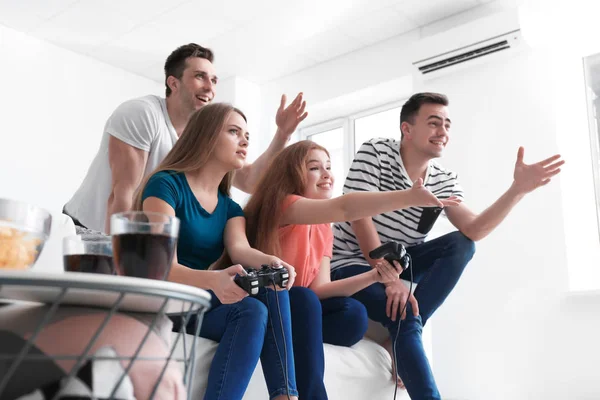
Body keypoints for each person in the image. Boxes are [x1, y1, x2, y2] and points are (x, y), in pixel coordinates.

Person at [330, 92, 565, 400]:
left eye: (447, 125)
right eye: (434, 123)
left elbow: (474, 229)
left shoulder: (444, 180)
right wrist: (388, 278)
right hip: (351, 260)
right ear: (407, 129)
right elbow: (360, 217)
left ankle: (402, 332)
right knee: (403, 316)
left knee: (462, 244)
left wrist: (517, 190)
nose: (443, 132)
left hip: (402, 260)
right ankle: (407, 336)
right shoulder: (375, 152)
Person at [243, 140, 460, 399]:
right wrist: (408, 197)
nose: (326, 174)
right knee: (304, 299)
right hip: (274, 303)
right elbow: (345, 207)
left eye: (328, 167)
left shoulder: (324, 227)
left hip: (303, 308)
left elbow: (320, 288)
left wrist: (373, 276)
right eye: (315, 168)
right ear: (293, 174)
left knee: (353, 315)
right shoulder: (284, 204)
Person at [136, 102, 303, 400]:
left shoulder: (229, 206)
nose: (245, 140)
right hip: (163, 297)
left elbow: (241, 249)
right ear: (206, 136)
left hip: (197, 300)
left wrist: (274, 263)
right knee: (255, 304)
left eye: (247, 135)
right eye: (234, 131)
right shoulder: (165, 186)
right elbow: (163, 268)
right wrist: (213, 280)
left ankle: (285, 395)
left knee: (266, 290)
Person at [63, 43, 307, 233]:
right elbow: (122, 196)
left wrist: (282, 134)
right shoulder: (143, 114)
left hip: (136, 240)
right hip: (86, 230)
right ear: (173, 83)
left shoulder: (202, 137)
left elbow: (250, 181)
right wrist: (121, 263)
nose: (209, 87)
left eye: (213, 80)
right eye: (200, 76)